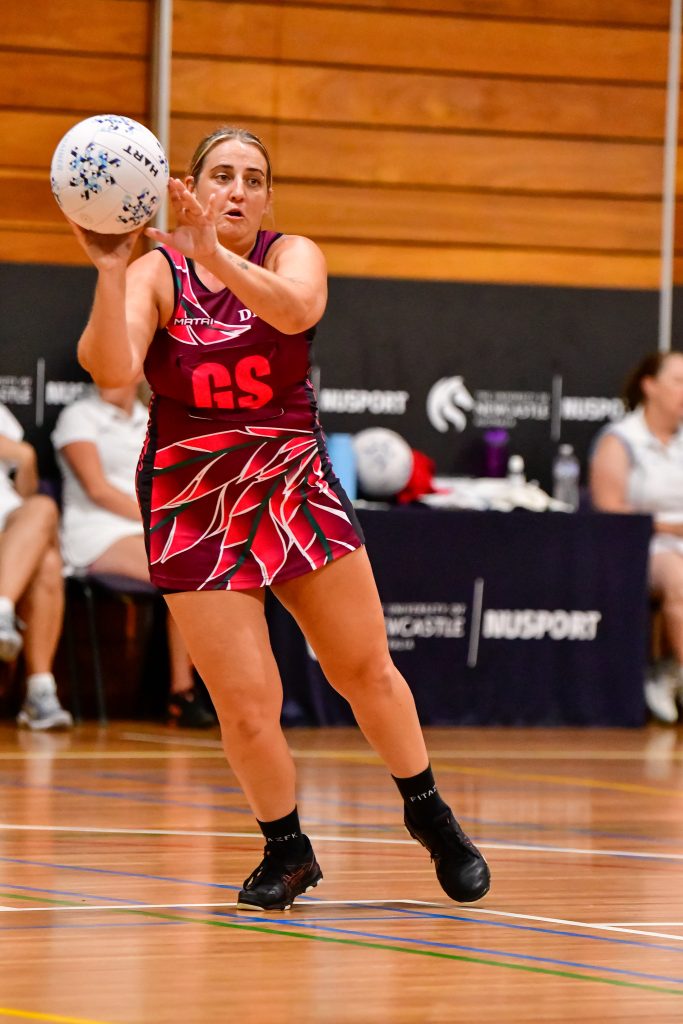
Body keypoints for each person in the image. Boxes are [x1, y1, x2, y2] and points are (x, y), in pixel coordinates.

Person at [66, 125, 490, 909]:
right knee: (246, 704)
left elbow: (293, 313)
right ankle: (287, 849)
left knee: (363, 670)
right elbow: (113, 370)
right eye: (221, 175)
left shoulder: (292, 254)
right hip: (193, 501)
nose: (236, 190)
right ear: (187, 187)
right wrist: (109, 268)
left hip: (290, 485)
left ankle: (430, 815)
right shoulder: (156, 272)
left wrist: (215, 255)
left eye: (252, 179)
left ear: (266, 197)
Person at [51, 383, 215, 728]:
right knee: (184, 570)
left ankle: (196, 689)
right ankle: (182, 692)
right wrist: (158, 522)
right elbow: (97, 490)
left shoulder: (150, 418)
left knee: (205, 568)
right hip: (98, 532)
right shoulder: (79, 416)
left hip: (149, 530)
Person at [590, 350, 683, 724]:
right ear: (650, 386)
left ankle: (669, 670)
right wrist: (667, 528)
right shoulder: (620, 439)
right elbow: (608, 509)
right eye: (678, 380)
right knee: (678, 578)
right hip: (641, 545)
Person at [0, 403, 72, 730]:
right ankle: (40, 692)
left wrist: (26, 456)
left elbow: (23, 493)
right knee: (47, 560)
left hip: (10, 525)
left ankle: (2, 610)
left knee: (42, 508)